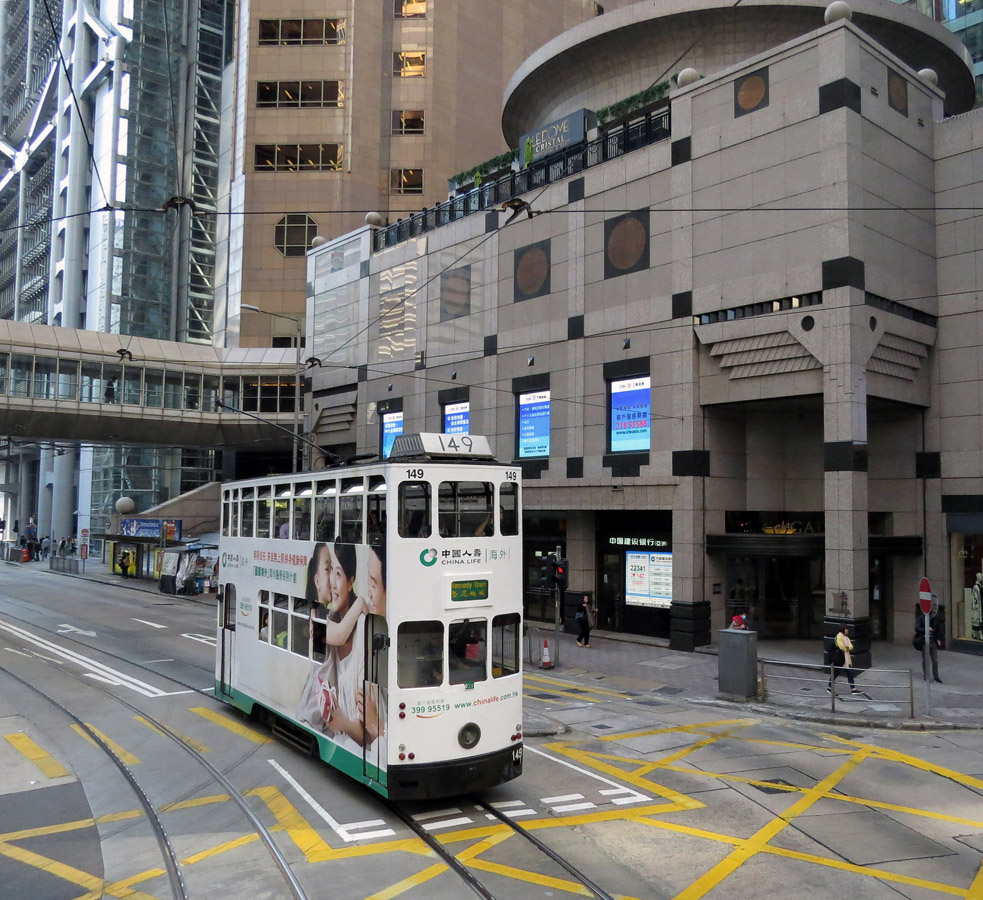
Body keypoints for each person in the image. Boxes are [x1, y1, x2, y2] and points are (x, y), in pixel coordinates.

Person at [915, 604, 944, 683]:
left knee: (935, 660)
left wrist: (938, 639)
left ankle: (936, 676)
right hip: (924, 641)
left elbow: (937, 630)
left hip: (933, 641)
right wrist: (926, 629)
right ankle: (926, 675)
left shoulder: (933, 619)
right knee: (925, 659)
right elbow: (917, 628)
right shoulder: (921, 618)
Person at [827, 625, 860, 695]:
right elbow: (841, 647)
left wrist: (847, 648)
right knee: (835, 673)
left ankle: (853, 689)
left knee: (849, 673)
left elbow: (851, 647)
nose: (847, 630)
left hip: (846, 658)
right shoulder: (839, 636)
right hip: (839, 658)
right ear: (843, 629)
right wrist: (846, 648)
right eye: (846, 629)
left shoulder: (847, 638)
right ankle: (829, 688)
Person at [972, 573, 982, 640]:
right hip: (977, 606)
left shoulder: (980, 586)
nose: (981, 577)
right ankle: (977, 634)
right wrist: (975, 605)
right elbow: (974, 597)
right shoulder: (975, 587)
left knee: (980, 620)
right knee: (977, 620)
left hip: (981, 605)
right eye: (980, 576)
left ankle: (977, 634)